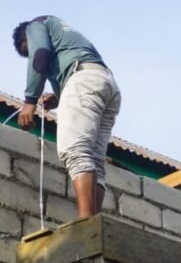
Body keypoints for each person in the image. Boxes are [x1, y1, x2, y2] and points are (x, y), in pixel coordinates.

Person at [13, 16, 121, 218]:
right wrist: (60, 96)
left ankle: (86, 221)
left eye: (27, 50)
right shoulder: (67, 34)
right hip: (106, 84)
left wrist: (29, 102)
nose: (30, 55)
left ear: (25, 37)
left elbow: (41, 56)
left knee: (74, 150)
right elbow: (82, 68)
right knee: (94, 160)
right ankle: (94, 223)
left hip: (82, 81)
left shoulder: (35, 26)